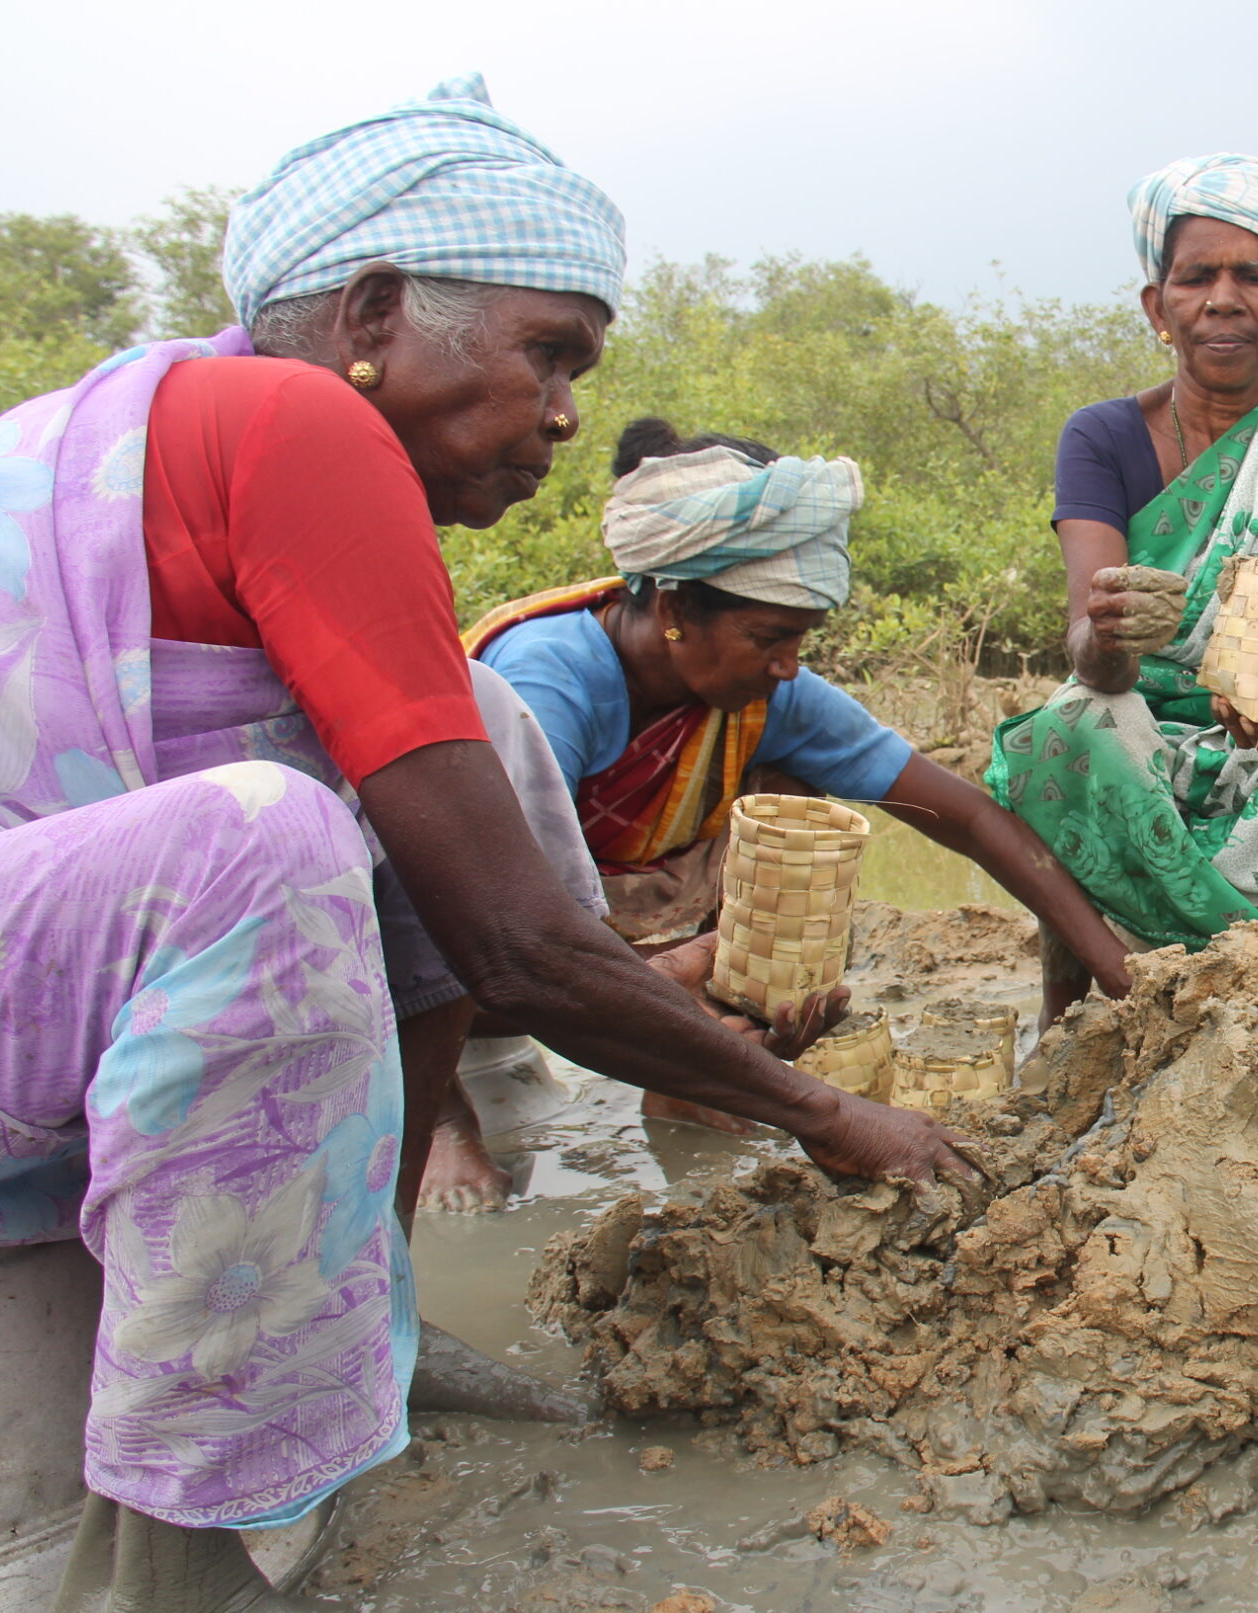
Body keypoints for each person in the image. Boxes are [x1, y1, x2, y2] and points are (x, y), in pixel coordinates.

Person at [0, 76, 964, 1613]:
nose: (567, 411)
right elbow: (518, 942)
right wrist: (825, 1114)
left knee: (458, 739)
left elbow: (479, 886)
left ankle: (378, 1322)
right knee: (262, 845)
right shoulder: (292, 422)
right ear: (366, 314)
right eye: (548, 352)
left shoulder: (210, 430)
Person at [448, 415, 1133, 1171]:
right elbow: (504, 936)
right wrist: (806, 1097)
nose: (787, 666)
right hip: (471, 956)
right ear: (675, 611)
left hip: (617, 948)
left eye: (800, 639)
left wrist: (1116, 969)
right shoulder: (547, 682)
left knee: (796, 808)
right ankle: (450, 1104)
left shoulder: (764, 694)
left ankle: (691, 1066)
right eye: (770, 638)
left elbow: (968, 818)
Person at [987, 153, 1258, 1013]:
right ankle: (1087, 999)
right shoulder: (1102, 438)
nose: (1224, 298)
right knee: (1064, 729)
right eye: (1197, 277)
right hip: (1135, 719)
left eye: (1254, 275)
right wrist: (1111, 634)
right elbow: (1089, 657)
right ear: (1159, 306)